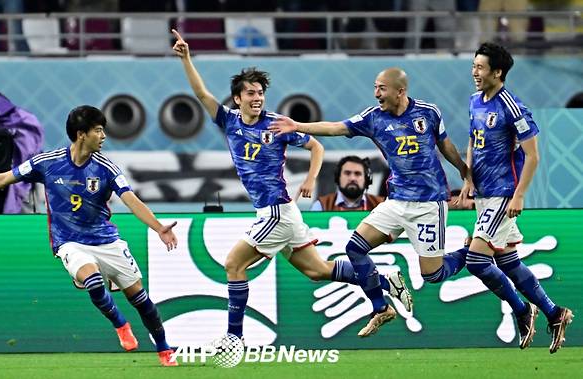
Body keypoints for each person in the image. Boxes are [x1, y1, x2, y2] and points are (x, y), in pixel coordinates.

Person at [171, 29, 413, 341]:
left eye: (260, 93)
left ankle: (234, 339)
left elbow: (316, 146)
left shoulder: (276, 124)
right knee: (317, 271)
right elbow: (202, 94)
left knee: (233, 263)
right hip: (279, 213)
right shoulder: (230, 122)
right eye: (251, 93)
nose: (257, 98)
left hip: (276, 213)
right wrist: (187, 58)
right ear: (237, 99)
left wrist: (311, 179)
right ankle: (383, 279)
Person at [0, 105, 179, 366]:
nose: (103, 136)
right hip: (69, 242)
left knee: (141, 300)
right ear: (81, 134)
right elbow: (4, 178)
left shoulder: (106, 168)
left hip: (107, 240)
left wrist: (158, 227)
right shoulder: (47, 162)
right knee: (92, 280)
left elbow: (131, 200)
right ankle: (120, 324)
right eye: (98, 130)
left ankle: (163, 349)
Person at [269, 67, 470, 337]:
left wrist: (464, 171)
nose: (376, 94)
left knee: (432, 275)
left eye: (381, 88)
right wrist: (298, 126)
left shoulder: (428, 112)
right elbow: (336, 127)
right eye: (375, 87)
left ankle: (472, 252)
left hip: (428, 204)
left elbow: (445, 145)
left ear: (400, 92)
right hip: (397, 200)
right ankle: (381, 308)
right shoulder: (373, 118)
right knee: (354, 248)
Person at [460, 42, 572, 353]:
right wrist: (468, 177)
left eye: (480, 68)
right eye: (474, 66)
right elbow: (473, 138)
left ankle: (522, 310)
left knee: (476, 260)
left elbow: (533, 155)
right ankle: (554, 313)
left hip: (503, 193)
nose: (475, 72)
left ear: (498, 72)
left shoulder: (513, 107)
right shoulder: (474, 101)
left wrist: (519, 195)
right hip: (483, 193)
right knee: (508, 262)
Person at [311, 155, 384, 211]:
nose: (352, 178)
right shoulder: (321, 205)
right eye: (347, 173)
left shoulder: (382, 205)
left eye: (357, 174)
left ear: (367, 179)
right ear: (338, 177)